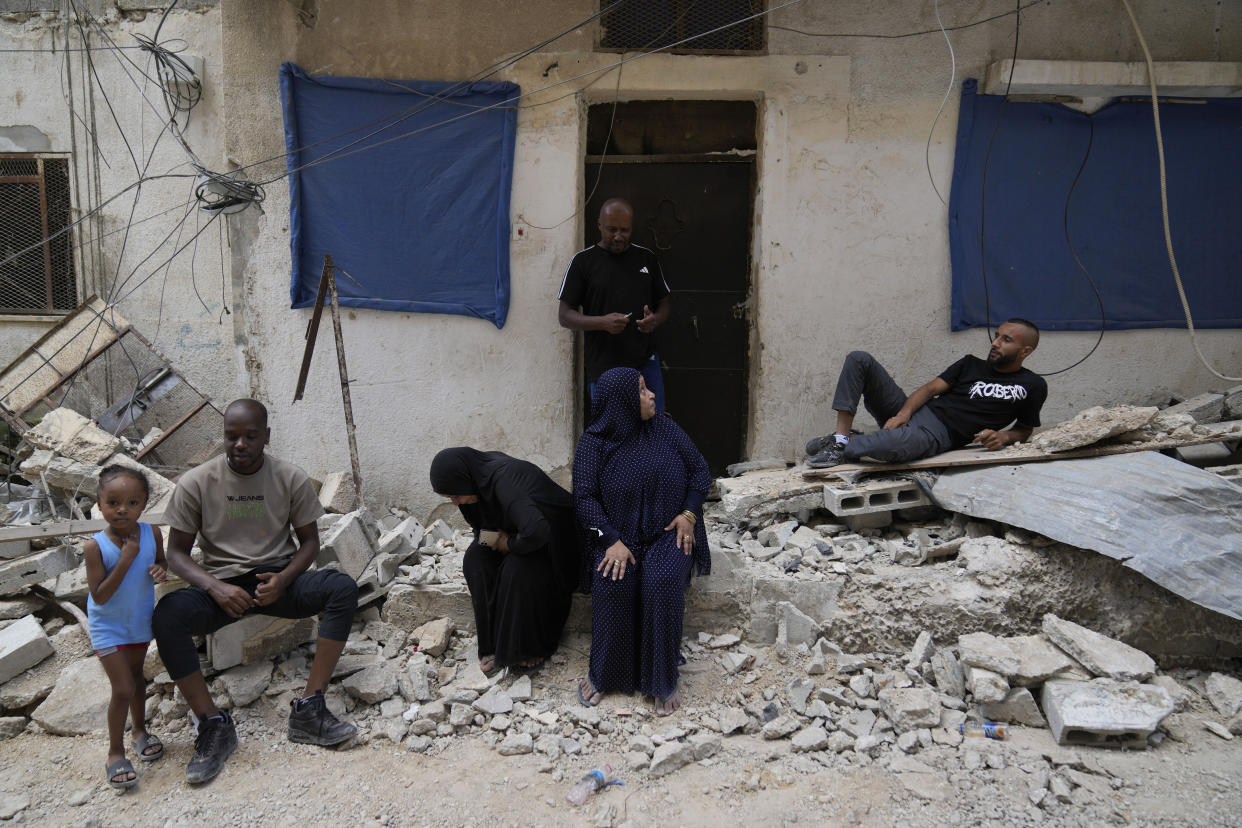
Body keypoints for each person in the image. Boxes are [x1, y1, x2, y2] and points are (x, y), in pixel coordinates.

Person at [152, 399, 358, 785]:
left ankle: (310, 710)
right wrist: (215, 587)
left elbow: (310, 544)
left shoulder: (289, 477)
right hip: (222, 589)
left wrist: (283, 579)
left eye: (250, 436)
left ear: (266, 436)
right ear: (224, 437)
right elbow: (176, 554)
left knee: (341, 588)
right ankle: (213, 725)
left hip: (277, 583)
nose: (240, 445)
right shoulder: (197, 482)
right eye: (231, 437)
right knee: (168, 614)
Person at [573, 367, 711, 716]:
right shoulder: (594, 442)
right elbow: (585, 498)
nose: (651, 395)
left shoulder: (664, 427)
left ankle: (663, 679)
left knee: (661, 583)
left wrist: (689, 514)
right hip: (618, 536)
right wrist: (610, 540)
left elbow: (700, 470)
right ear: (621, 403)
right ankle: (605, 674)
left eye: (648, 389)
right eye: (641, 390)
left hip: (669, 532)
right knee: (613, 581)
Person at [805, 319, 1048, 468]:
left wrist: (1004, 438)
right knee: (860, 359)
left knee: (883, 449)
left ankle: (847, 441)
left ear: (1025, 350)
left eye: (1006, 340)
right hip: (914, 412)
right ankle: (841, 440)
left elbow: (1025, 429)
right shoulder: (970, 364)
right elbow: (931, 389)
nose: (995, 343)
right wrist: (903, 413)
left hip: (936, 436)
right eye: (997, 336)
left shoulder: (1032, 385)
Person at [429, 448, 578, 674]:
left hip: (554, 541)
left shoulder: (503, 480)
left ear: (464, 480)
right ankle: (492, 644)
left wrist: (509, 545)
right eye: (449, 497)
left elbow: (537, 530)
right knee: (475, 560)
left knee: (516, 570)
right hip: (517, 534)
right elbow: (483, 528)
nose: (454, 503)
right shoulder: (473, 489)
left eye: (455, 496)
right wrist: (495, 542)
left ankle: (529, 648)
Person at [84, 465, 167, 790]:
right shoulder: (95, 546)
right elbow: (100, 596)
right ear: (99, 503)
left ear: (144, 504)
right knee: (121, 688)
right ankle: (115, 753)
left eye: (132, 503)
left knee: (136, 679)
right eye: (113, 502)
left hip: (139, 623)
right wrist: (127, 558)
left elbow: (160, 560)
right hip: (108, 626)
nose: (122, 509)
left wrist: (160, 569)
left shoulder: (152, 533)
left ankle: (139, 732)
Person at [557, 198, 672, 413]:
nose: (618, 236)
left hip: (645, 364)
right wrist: (603, 323)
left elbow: (664, 304)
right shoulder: (583, 262)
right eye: (611, 229)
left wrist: (654, 320)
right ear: (599, 225)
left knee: (655, 429)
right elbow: (564, 316)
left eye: (624, 230)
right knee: (611, 433)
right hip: (604, 368)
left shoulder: (647, 259)